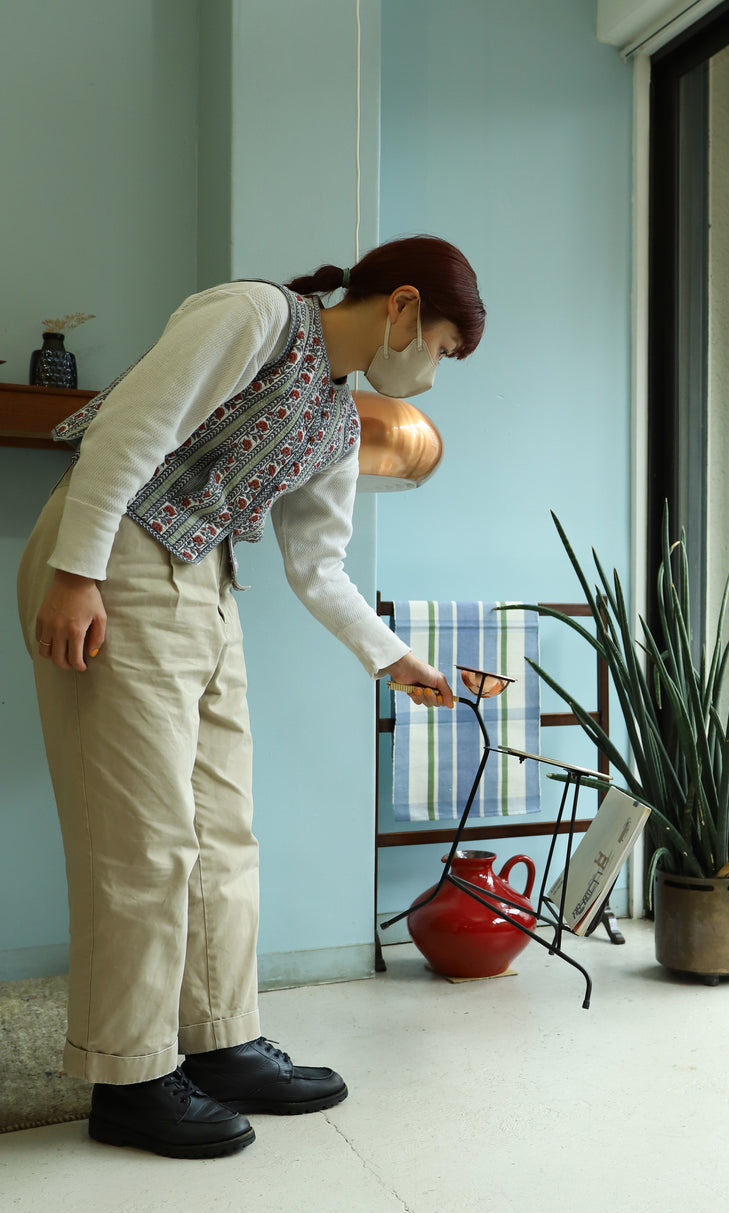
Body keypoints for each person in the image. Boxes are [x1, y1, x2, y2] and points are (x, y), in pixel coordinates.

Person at [16, 235, 485, 1160]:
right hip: (116, 557)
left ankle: (218, 1039)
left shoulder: (340, 422)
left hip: (208, 578)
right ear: (401, 307)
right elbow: (130, 430)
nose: (431, 374)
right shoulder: (256, 315)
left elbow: (318, 565)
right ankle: (130, 1074)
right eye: (439, 348)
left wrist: (395, 660)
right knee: (143, 838)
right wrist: (78, 571)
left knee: (224, 831)